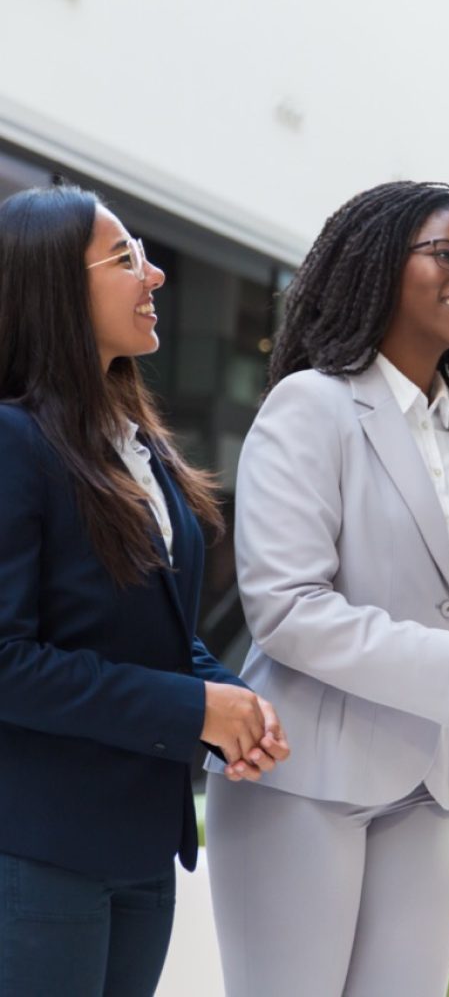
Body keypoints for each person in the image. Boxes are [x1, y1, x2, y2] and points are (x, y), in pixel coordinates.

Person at [204, 180, 449, 997]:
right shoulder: (309, 407)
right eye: (447, 254)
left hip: (431, 795)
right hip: (304, 780)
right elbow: (289, 611)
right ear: (380, 266)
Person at [0, 185, 290, 997]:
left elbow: (155, 631)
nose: (155, 275)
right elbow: (6, 660)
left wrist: (229, 700)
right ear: (56, 286)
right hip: (39, 849)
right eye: (126, 259)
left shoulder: (139, 450)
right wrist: (191, 711)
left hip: (140, 846)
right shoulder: (13, 443)